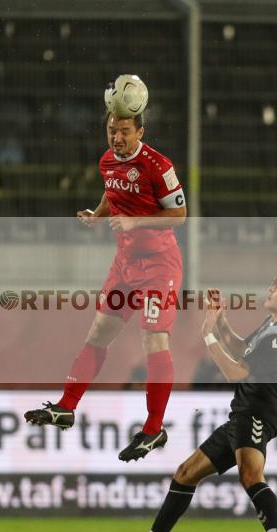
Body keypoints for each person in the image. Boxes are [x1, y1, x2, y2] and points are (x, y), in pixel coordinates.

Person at [25, 106, 187, 462]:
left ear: (140, 133)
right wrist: (97, 215)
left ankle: (153, 428)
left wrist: (134, 223)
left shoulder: (159, 165)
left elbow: (179, 215)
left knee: (153, 338)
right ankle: (67, 407)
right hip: (125, 266)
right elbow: (112, 193)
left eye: (125, 131)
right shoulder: (107, 162)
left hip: (159, 266)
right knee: (98, 332)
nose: (117, 137)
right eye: (112, 130)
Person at [120, 260, 277, 532]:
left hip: (257, 414)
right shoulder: (270, 326)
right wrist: (219, 320)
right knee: (185, 473)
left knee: (251, 475)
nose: (270, 289)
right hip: (240, 415)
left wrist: (208, 334)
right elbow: (239, 349)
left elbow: (236, 373)